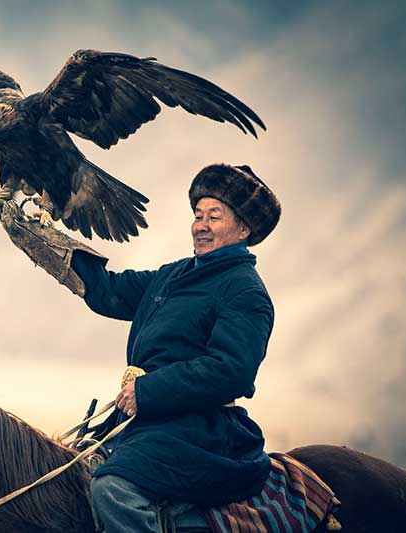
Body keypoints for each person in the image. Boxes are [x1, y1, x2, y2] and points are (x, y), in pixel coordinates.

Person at [71, 164, 281, 532]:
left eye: (214, 217)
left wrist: (147, 390)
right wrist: (49, 243)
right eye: (198, 215)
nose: (201, 225)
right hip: (147, 424)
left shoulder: (245, 290)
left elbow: (231, 370)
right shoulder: (174, 274)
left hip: (201, 430)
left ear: (244, 229)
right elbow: (109, 292)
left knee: (113, 490)